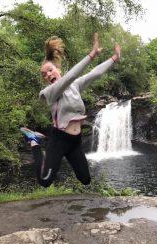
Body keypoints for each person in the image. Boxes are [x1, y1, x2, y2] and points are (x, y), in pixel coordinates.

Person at [20, 33, 121, 187]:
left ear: (57, 69)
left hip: (75, 141)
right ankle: (34, 141)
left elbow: (96, 73)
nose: (48, 75)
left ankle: (43, 143)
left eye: (50, 70)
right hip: (59, 140)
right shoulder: (51, 92)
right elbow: (71, 75)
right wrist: (91, 55)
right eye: (44, 74)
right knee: (45, 181)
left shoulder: (75, 86)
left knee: (85, 179)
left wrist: (114, 58)